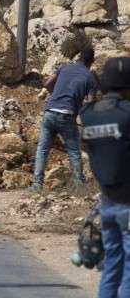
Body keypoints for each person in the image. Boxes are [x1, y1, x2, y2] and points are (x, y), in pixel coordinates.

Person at [80, 56, 130, 298]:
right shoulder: (127, 114)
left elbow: (88, 147)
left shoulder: (89, 115)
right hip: (128, 203)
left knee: (111, 264)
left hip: (107, 203)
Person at [33, 47, 97, 190]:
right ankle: (79, 184)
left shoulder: (64, 67)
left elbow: (47, 83)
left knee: (42, 149)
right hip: (67, 115)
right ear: (92, 61)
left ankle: (37, 184)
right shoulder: (90, 77)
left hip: (49, 111)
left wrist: (55, 94)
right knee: (74, 151)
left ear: (79, 57)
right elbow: (90, 102)